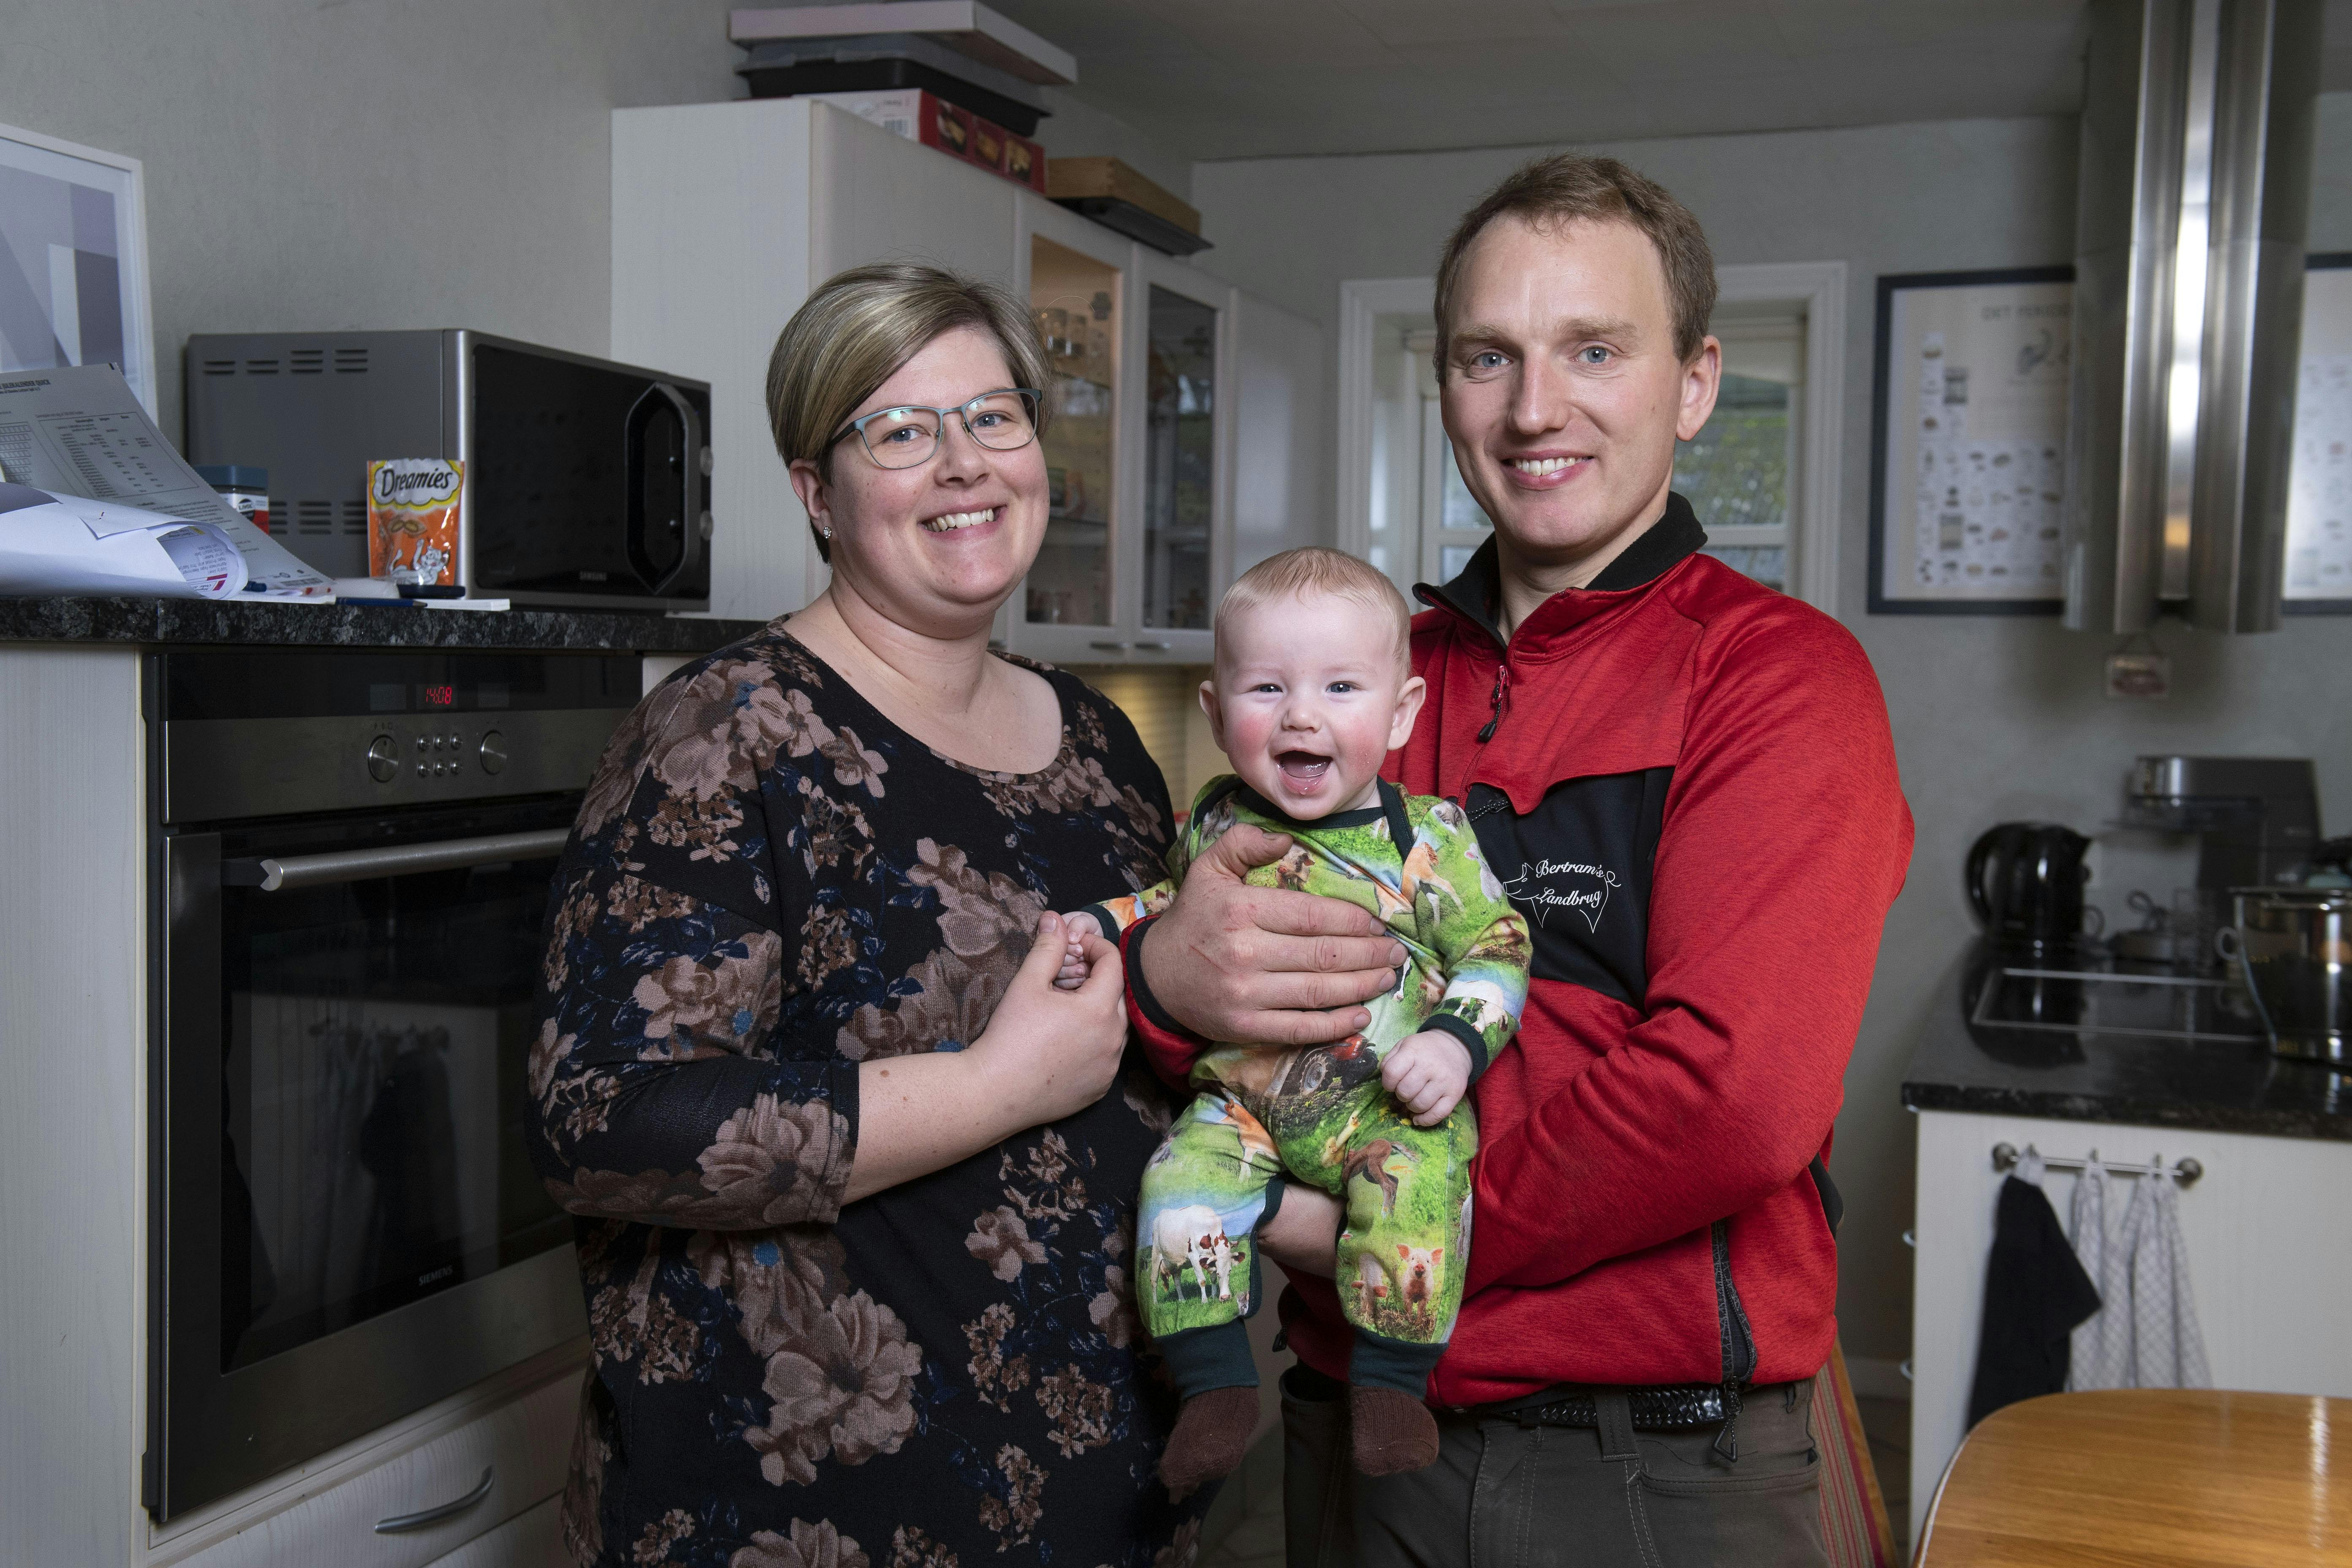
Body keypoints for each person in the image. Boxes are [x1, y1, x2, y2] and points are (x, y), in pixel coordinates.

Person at [1115, 155, 1915, 1565]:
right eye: (1487, 356)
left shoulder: (1774, 679)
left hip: (1639, 1463)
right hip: (1352, 1422)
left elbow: (1727, 1103)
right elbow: (1218, 989)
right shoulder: (1356, 682)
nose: (1532, 408)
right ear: (1443, 387)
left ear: (1693, 382)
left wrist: (1351, 1221)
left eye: (1591, 350)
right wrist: (1159, 974)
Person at [525, 262, 1204, 1567]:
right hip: (809, 1521)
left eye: (992, 418)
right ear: (813, 491)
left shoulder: (1105, 745)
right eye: (899, 431)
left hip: (1108, 1498)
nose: (962, 465)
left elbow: (1155, 1064)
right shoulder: (723, 735)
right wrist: (999, 1084)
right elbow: (605, 1120)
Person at [1057, 548, 1530, 1497]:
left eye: (1341, 686)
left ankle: (1394, 1387)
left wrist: (1455, 1039)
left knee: (1423, 1193)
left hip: (1382, 1110)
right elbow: (1167, 907)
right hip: (1245, 1105)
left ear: (1401, 713)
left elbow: (1500, 944)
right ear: (1214, 709)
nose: (1302, 714)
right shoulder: (1215, 823)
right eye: (1267, 686)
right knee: (1177, 1190)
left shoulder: (1425, 839)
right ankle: (1215, 1386)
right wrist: (1101, 925)